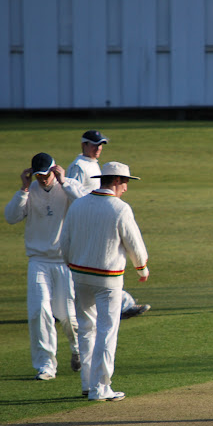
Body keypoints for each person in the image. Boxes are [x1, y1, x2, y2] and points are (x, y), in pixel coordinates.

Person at [60, 162, 149, 401]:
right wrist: (142, 268)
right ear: (117, 181)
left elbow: (64, 241)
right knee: (106, 331)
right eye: (126, 183)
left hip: (79, 276)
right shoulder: (120, 208)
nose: (126, 189)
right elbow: (135, 244)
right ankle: (100, 388)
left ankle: (88, 384)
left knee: (86, 330)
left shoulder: (78, 204)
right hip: (107, 280)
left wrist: (72, 264)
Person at [4, 152, 85, 380]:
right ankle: (46, 365)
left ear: (54, 169)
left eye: (46, 174)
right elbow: (11, 217)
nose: (43, 179)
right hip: (38, 260)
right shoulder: (30, 191)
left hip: (65, 260)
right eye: (38, 175)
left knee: (68, 314)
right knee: (39, 311)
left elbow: (83, 204)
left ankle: (78, 349)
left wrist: (64, 181)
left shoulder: (69, 187)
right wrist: (24, 188)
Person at [67, 129, 151, 320]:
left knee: (88, 321)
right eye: (94, 144)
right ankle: (63, 309)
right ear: (83, 145)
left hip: (94, 221)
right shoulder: (78, 167)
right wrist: (141, 267)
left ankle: (124, 303)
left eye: (101, 144)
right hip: (90, 221)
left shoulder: (97, 167)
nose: (98, 148)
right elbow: (73, 193)